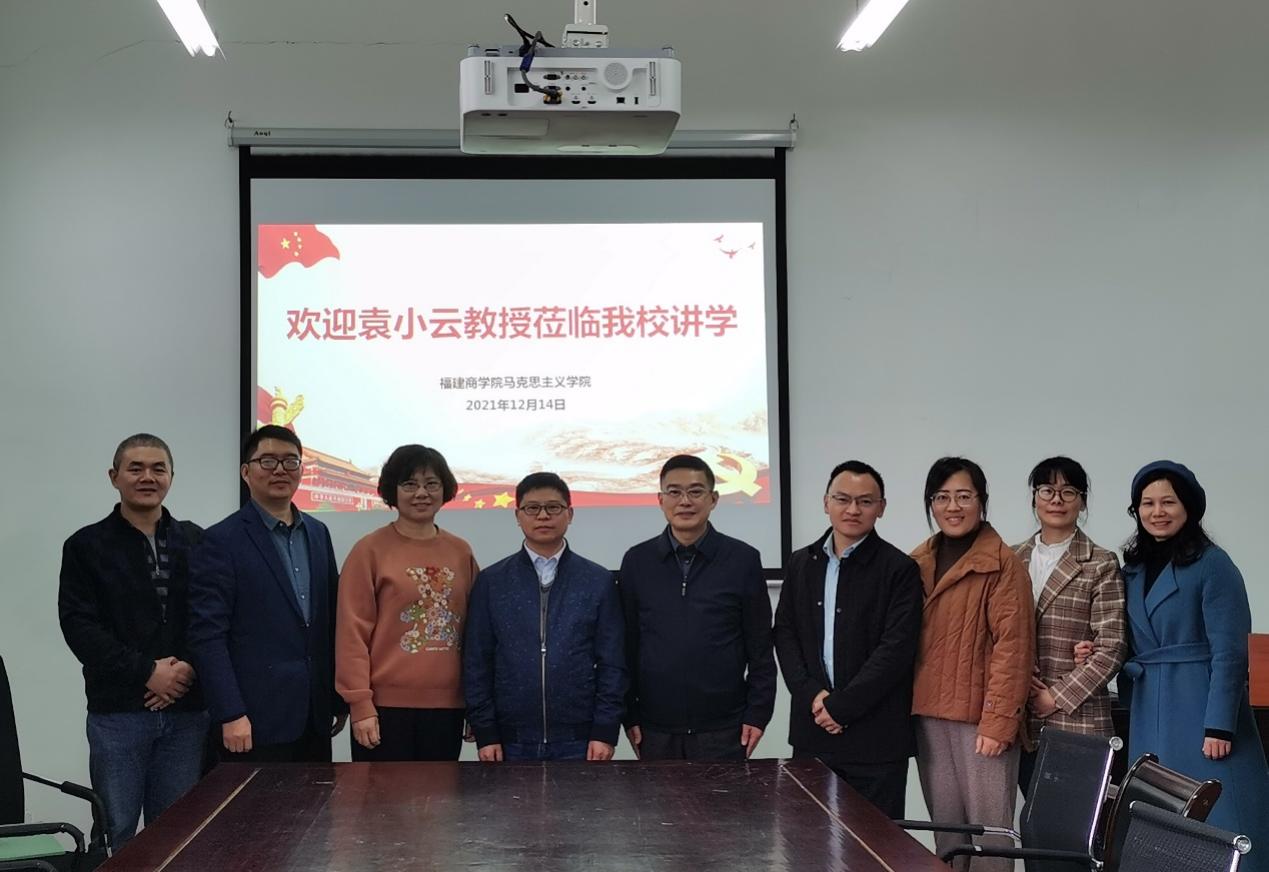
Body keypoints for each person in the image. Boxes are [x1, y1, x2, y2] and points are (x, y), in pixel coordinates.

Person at [57, 434, 207, 849]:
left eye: (158, 468)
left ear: (171, 476)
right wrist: (147, 672)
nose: (147, 477)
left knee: (178, 834)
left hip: (187, 713)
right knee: (117, 830)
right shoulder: (86, 545)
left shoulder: (197, 541)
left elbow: (212, 616)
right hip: (119, 713)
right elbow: (79, 627)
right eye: (135, 468)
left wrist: (187, 667)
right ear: (114, 477)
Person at [1117, 460, 1268, 870]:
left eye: (1168, 501)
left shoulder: (1213, 563)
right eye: (1147, 503)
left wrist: (1220, 725)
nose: (1157, 511)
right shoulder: (1132, 570)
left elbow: (1230, 651)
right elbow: (1127, 636)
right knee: (1160, 819)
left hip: (1201, 707)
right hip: (1150, 707)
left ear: (1189, 507)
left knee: (1222, 813)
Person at [188, 424, 347, 761]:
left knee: (317, 798)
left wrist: (337, 698)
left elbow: (331, 623)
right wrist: (230, 711)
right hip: (251, 719)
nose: (280, 470)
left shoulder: (318, 533)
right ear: (246, 472)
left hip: (314, 715)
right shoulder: (220, 540)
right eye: (268, 461)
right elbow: (207, 634)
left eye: (291, 461)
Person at [774, 460, 923, 817]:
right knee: (809, 840)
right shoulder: (800, 563)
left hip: (876, 740)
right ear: (826, 502)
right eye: (842, 499)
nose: (853, 509)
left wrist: (841, 707)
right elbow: (785, 634)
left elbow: (896, 651)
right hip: (813, 733)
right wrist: (812, 696)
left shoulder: (900, 569)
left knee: (877, 843)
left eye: (865, 501)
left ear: (881, 507)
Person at [909, 457, 1034, 872]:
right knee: (947, 835)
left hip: (982, 722)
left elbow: (1014, 649)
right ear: (930, 503)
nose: (953, 506)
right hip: (929, 716)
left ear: (981, 501)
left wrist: (999, 722)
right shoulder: (917, 561)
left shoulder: (1003, 564)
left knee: (990, 838)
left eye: (964, 496)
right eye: (942, 497)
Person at [619, 454, 776, 761]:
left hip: (725, 727)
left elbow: (760, 646)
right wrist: (629, 713)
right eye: (674, 492)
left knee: (724, 796)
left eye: (695, 491)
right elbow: (626, 645)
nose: (685, 501)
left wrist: (758, 714)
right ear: (660, 500)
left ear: (713, 499)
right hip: (655, 728)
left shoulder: (742, 559)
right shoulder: (637, 561)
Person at [463, 472, 626, 762]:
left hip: (580, 739)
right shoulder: (492, 581)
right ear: (518, 516)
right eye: (532, 508)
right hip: (510, 740)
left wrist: (605, 729)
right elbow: (477, 660)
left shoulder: (597, 580)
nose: (543, 516)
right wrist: (486, 731)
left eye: (553, 507)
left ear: (569, 514)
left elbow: (613, 661)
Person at [336, 445, 478, 761]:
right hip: (383, 709)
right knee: (380, 795)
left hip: (448, 708)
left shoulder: (461, 552)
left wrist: (476, 704)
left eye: (431, 483)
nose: (421, 493)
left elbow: (476, 633)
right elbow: (351, 634)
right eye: (410, 484)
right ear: (393, 490)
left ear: (445, 489)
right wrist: (360, 704)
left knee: (441, 794)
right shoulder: (369, 551)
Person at [1011, 456, 1126, 795]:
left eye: (1068, 491)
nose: (1056, 500)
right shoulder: (1010, 558)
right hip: (1018, 719)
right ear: (1034, 498)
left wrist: (1054, 696)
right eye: (1047, 490)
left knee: (1069, 822)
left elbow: (1112, 646)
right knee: (1030, 819)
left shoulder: (1100, 563)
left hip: (1076, 718)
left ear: (1082, 501)